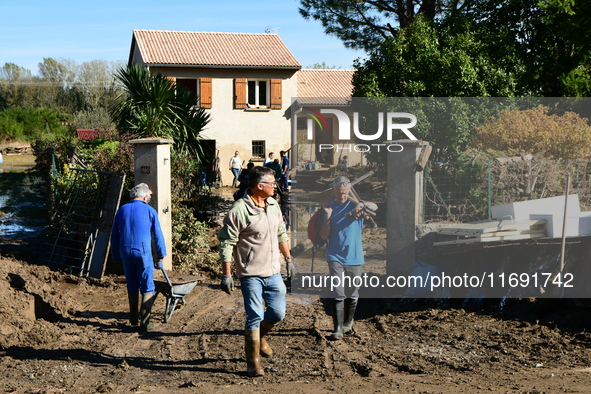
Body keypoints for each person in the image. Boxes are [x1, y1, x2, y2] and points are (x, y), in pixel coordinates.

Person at [217, 166, 295, 377]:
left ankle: (259, 337)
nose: (275, 187)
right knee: (254, 315)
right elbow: (226, 242)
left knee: (278, 313)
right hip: (250, 273)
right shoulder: (240, 210)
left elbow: (281, 233)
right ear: (260, 186)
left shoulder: (273, 205)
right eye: (272, 183)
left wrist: (288, 259)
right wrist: (227, 274)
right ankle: (253, 363)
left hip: (273, 271)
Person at [319, 176, 377, 341]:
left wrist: (361, 204)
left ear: (349, 190)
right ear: (333, 191)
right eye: (338, 193)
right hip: (334, 254)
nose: (341, 196)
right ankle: (337, 328)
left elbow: (375, 206)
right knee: (338, 291)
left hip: (354, 256)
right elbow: (323, 236)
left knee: (353, 291)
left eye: (344, 193)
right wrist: (328, 216)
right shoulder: (329, 207)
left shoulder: (355, 205)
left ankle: (348, 322)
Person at [110, 183, 167, 332]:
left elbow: (114, 235)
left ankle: (133, 317)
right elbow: (158, 236)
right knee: (147, 284)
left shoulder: (121, 210)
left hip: (125, 251)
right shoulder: (150, 210)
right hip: (142, 251)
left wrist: (116, 255)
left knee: (132, 283)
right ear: (145, 196)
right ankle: (145, 321)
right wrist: (160, 256)